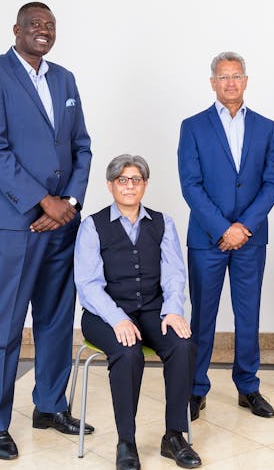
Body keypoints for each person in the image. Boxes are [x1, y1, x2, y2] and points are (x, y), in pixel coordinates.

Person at [0, 2, 93, 460]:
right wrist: (44, 201)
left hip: (63, 223)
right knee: (2, 323)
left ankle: (50, 405)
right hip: (14, 221)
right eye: (35, 24)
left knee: (57, 320)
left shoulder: (64, 79)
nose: (44, 31)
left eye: (51, 26)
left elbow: (82, 145)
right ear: (16, 29)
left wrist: (70, 204)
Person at [75, 155, 201, 470]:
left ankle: (174, 436)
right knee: (129, 352)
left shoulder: (163, 222)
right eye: (122, 179)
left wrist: (172, 311)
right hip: (104, 314)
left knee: (183, 345)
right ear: (110, 185)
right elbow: (88, 284)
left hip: (152, 310)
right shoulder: (93, 225)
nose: (129, 185)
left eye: (136, 179)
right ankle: (126, 441)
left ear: (144, 184)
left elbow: (174, 274)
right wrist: (118, 318)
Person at [178, 51, 274, 420]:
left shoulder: (266, 127)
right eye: (223, 77)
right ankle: (195, 389)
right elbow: (190, 185)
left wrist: (243, 228)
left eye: (236, 76)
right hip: (207, 240)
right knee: (202, 316)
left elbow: (272, 184)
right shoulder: (193, 126)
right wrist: (224, 228)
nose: (231, 83)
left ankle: (248, 387)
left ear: (246, 80)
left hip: (251, 240)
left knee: (247, 315)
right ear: (212, 83)